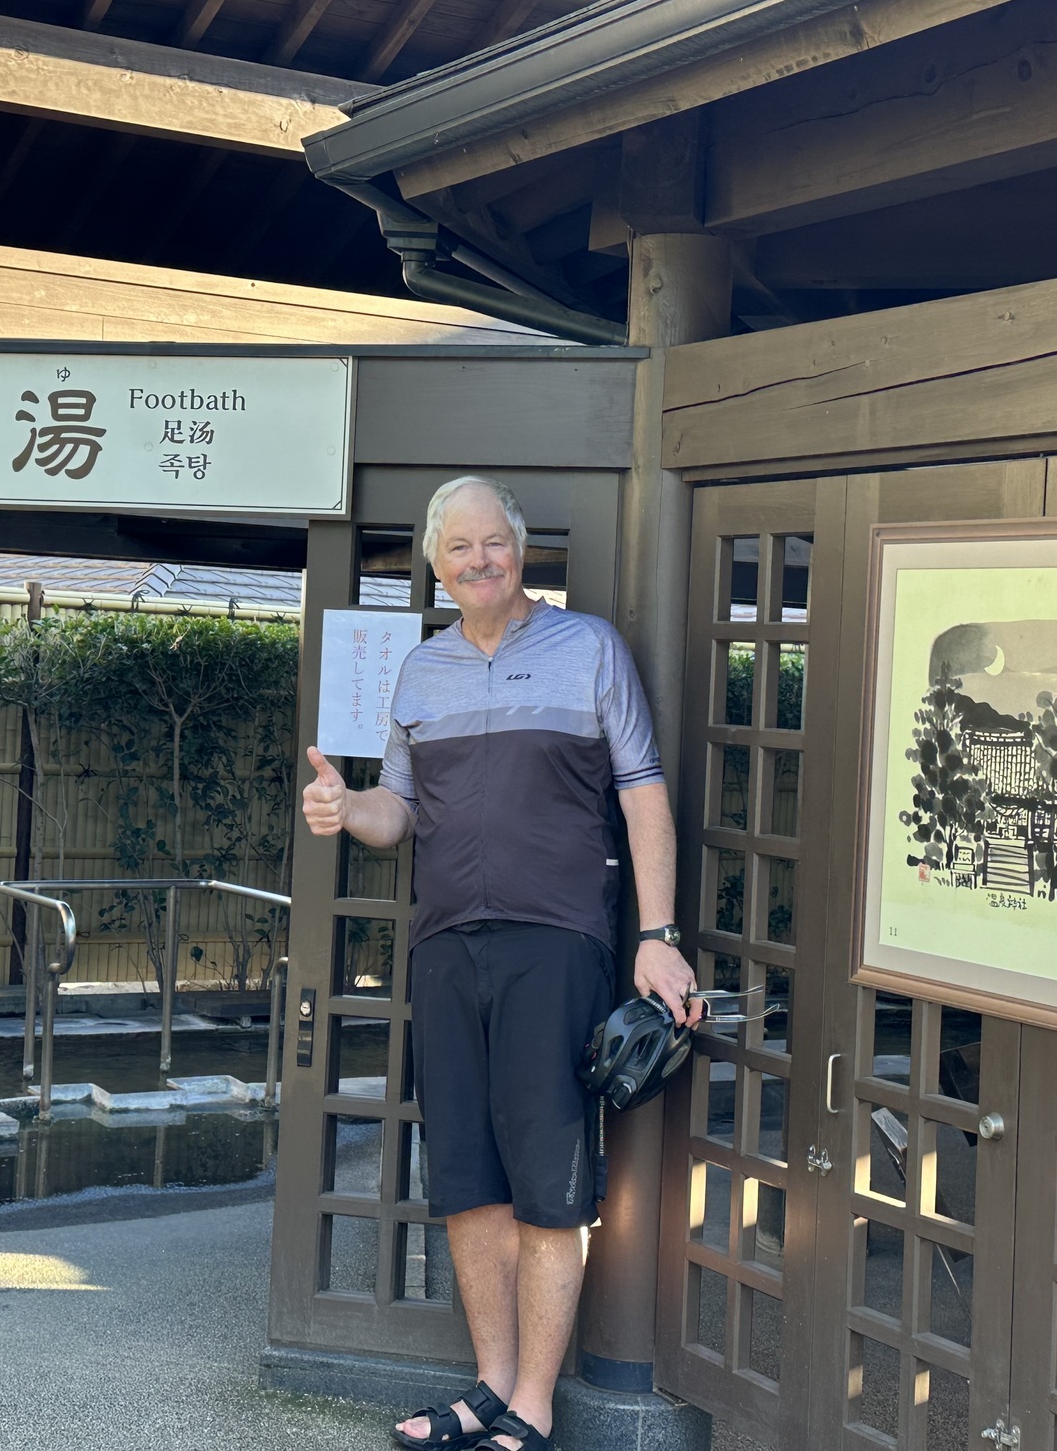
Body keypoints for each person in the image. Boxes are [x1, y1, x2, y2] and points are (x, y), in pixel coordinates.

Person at [301, 475, 700, 1451]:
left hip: (556, 945)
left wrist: (657, 937)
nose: (480, 561)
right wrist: (349, 810)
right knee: (467, 1182)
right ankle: (487, 1387)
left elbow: (642, 790)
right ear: (437, 567)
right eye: (460, 548)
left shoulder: (588, 649)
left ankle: (533, 1404)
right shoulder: (420, 671)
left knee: (548, 1187)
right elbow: (399, 811)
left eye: (495, 543)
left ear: (520, 550)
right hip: (445, 947)